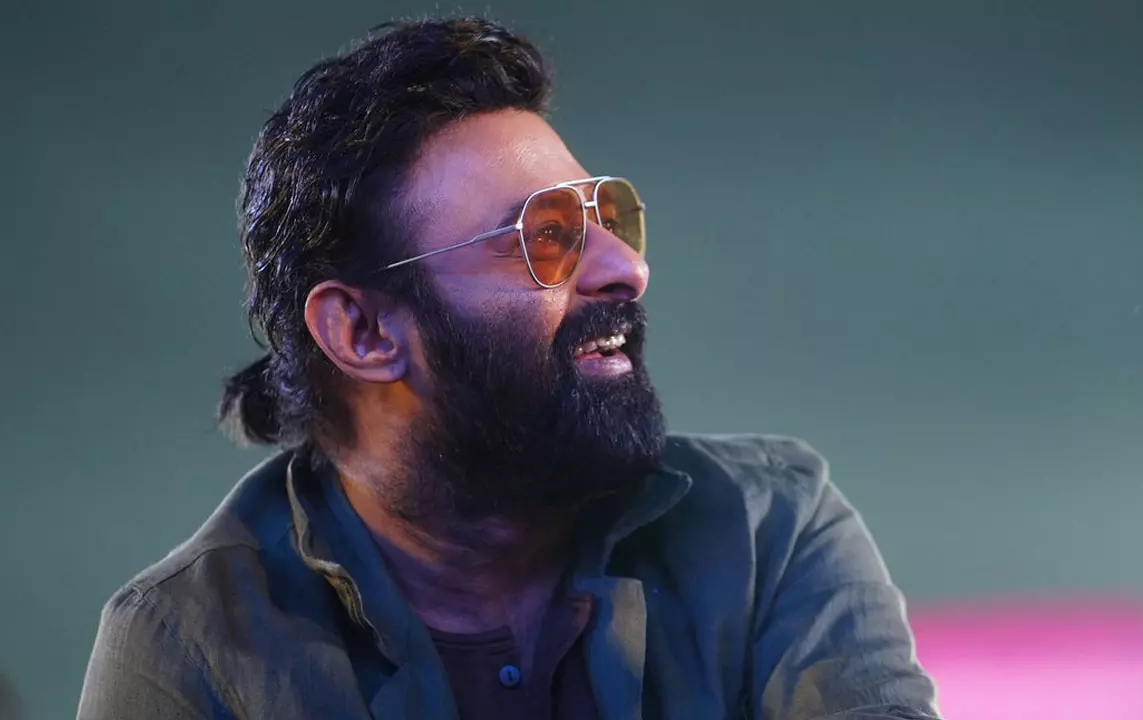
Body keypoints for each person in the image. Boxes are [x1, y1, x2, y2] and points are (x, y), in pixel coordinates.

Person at [77, 16, 939, 720]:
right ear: (363, 331)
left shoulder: (770, 529)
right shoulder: (188, 646)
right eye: (544, 237)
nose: (627, 269)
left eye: (608, 219)